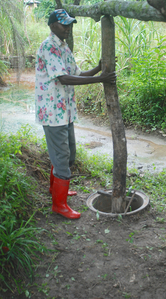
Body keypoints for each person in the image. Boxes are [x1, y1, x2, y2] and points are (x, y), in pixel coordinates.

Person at [35, 9, 116, 220]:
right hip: (53, 114)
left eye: (69, 24)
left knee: (67, 153)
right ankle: (59, 205)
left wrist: (98, 69)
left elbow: (77, 74)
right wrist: (101, 80)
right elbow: (64, 78)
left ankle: (57, 191)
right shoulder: (49, 47)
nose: (67, 28)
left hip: (64, 111)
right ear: (52, 25)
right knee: (61, 156)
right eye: (64, 24)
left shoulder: (63, 47)